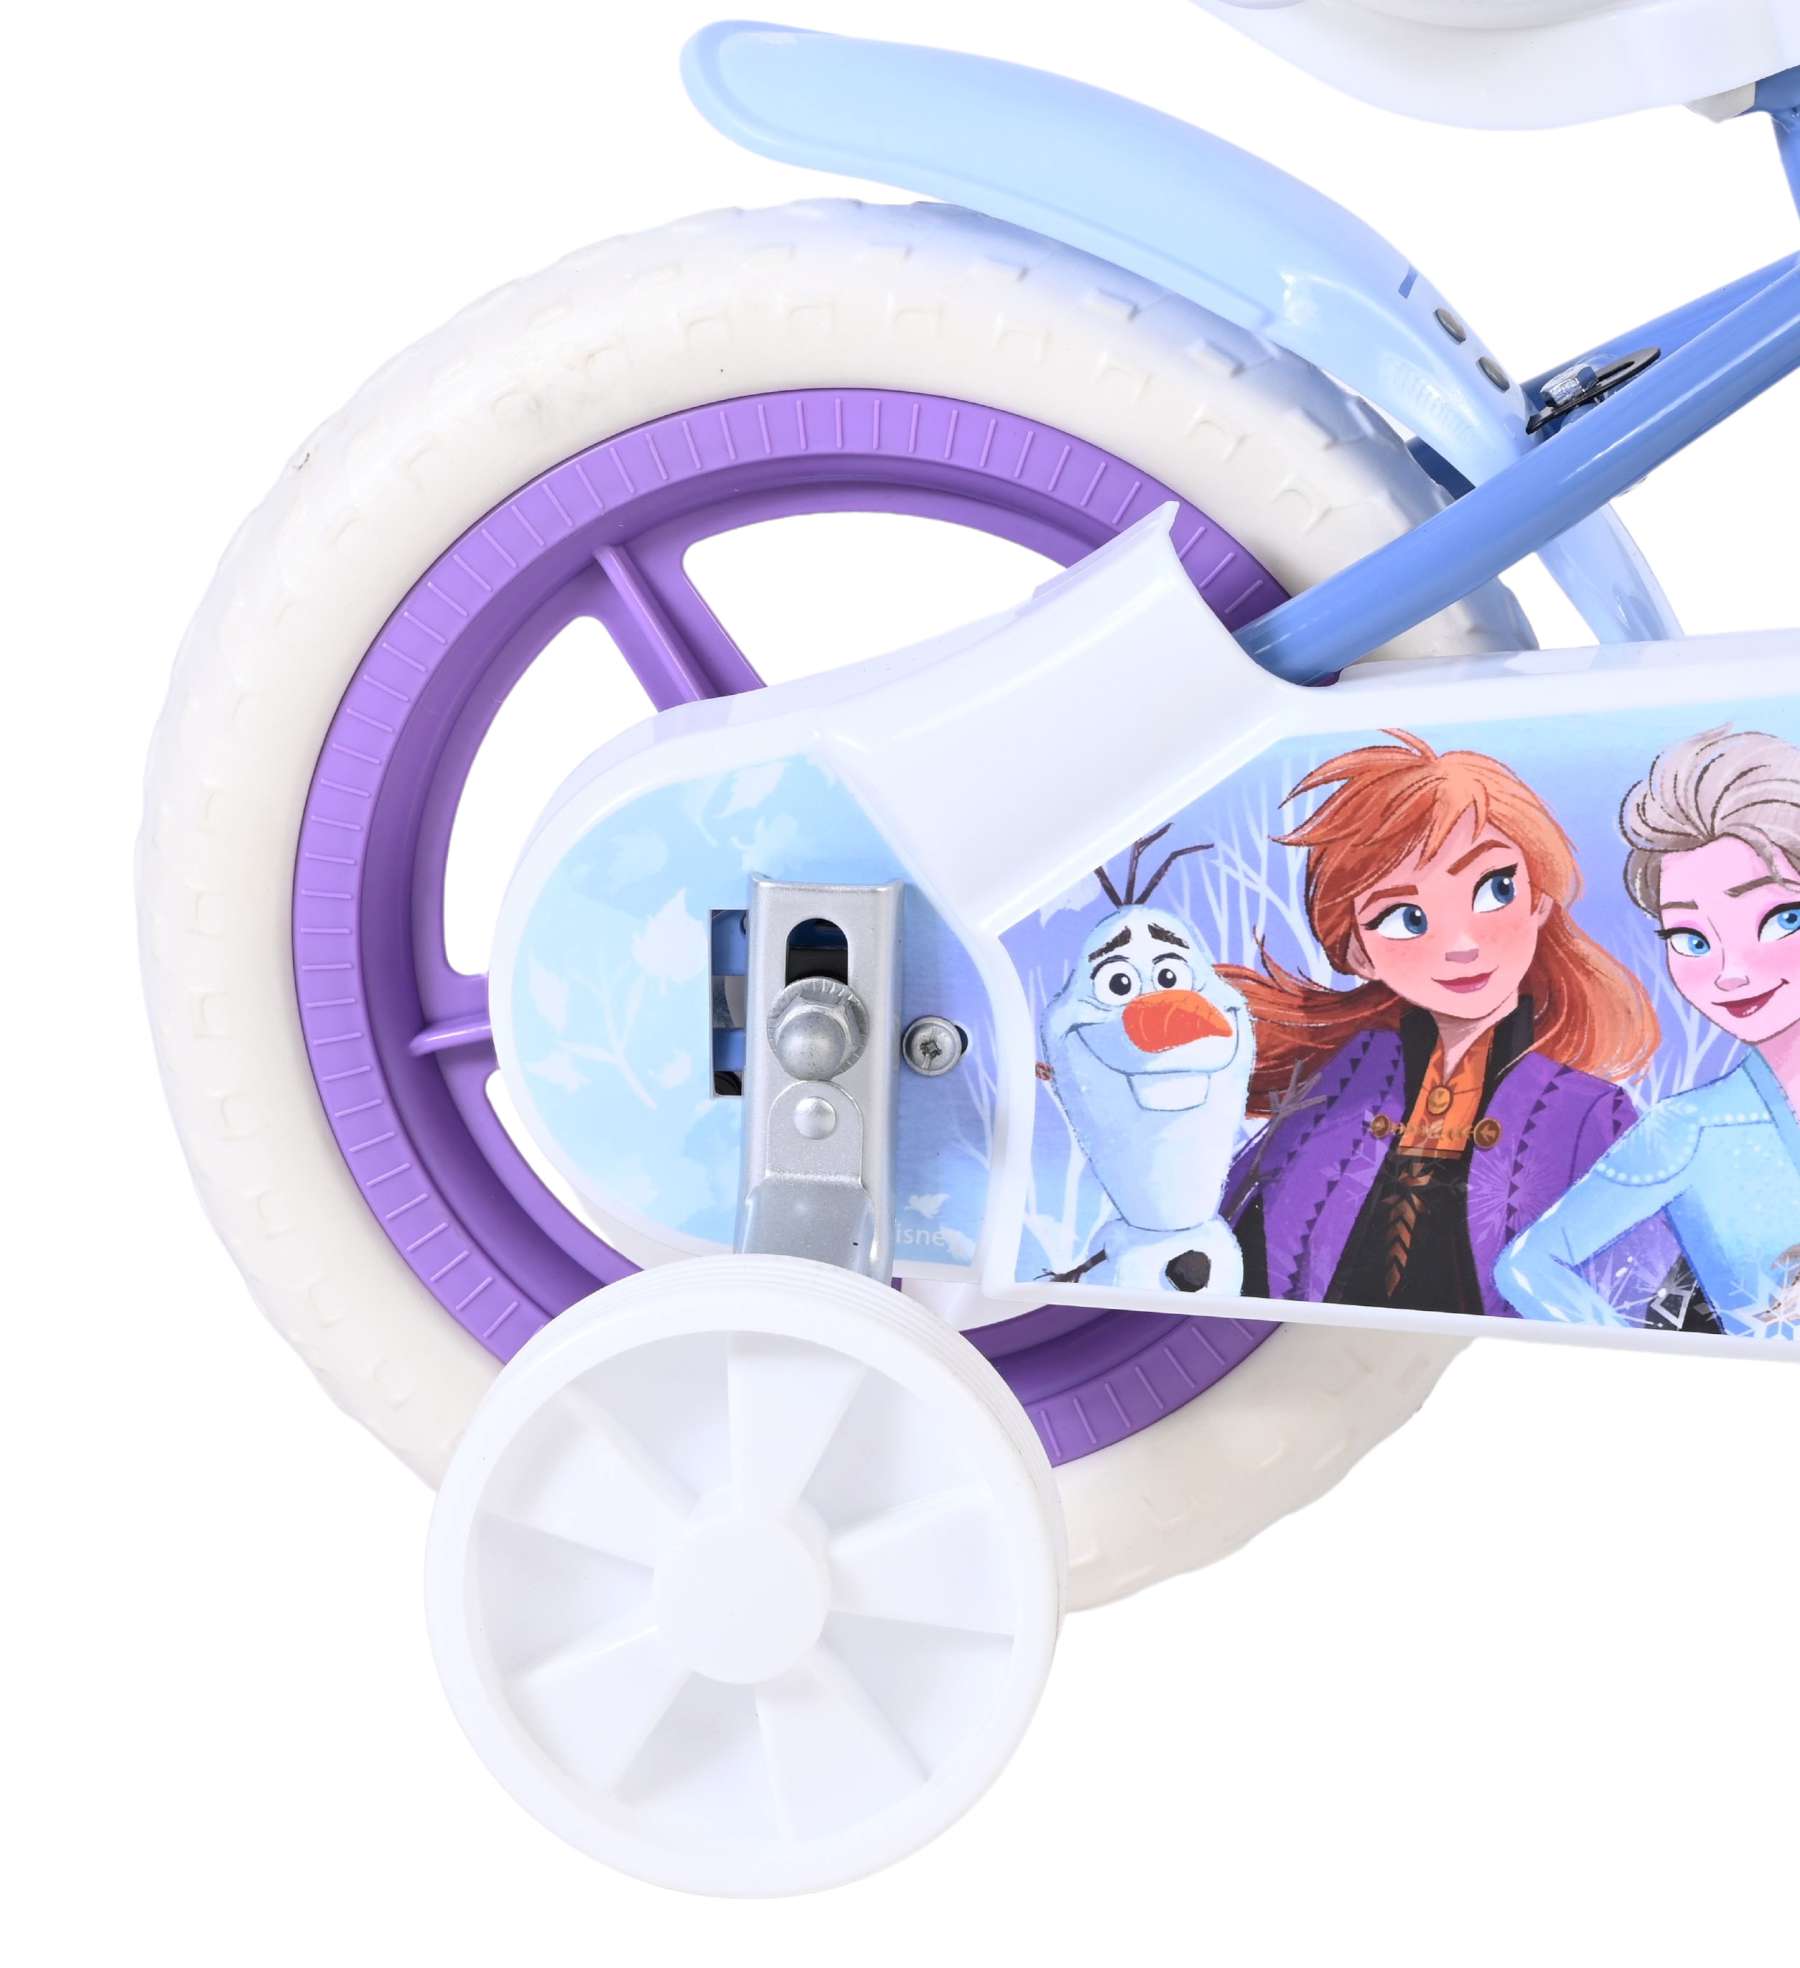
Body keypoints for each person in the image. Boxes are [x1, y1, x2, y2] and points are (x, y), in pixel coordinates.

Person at [1220, 730, 1665, 1320]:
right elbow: (1241, 1253)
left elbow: (1642, 1301)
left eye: (1494, 889)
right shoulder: (1337, 1088)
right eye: (1406, 918)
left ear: (1538, 897)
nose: (1461, 944)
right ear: (1359, 953)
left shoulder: (1588, 1116)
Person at [1498, 727, 1800, 1337]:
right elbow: (1530, 1266)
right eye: (1692, 940)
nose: (1731, 973)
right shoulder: (1689, 1131)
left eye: (1780, 919)